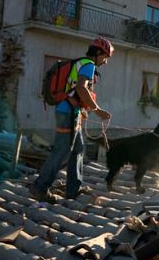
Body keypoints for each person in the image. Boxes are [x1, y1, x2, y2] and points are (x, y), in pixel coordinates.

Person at [30, 37, 113, 203]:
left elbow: (74, 89)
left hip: (71, 111)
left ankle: (73, 189)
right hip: (68, 114)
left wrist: (82, 110)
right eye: (105, 57)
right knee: (61, 151)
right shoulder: (88, 65)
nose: (105, 62)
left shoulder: (80, 63)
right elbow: (82, 88)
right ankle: (40, 187)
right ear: (98, 53)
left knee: (78, 149)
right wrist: (97, 110)